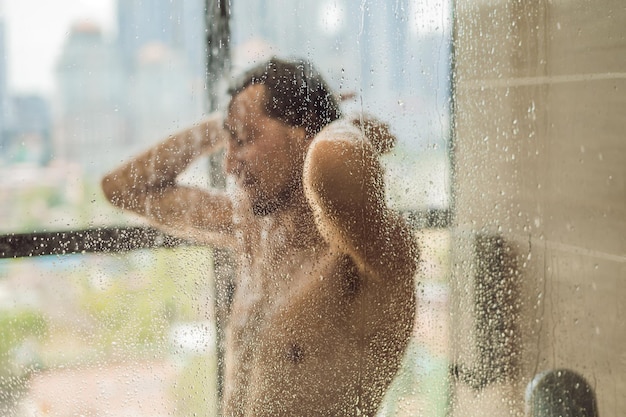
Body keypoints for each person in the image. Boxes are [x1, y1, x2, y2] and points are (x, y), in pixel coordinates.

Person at [101, 57, 418, 417]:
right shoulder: (258, 232)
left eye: (244, 139)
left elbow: (333, 159)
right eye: (228, 141)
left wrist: (342, 128)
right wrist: (224, 125)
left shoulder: (366, 251)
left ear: (307, 136)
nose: (228, 164)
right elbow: (123, 188)